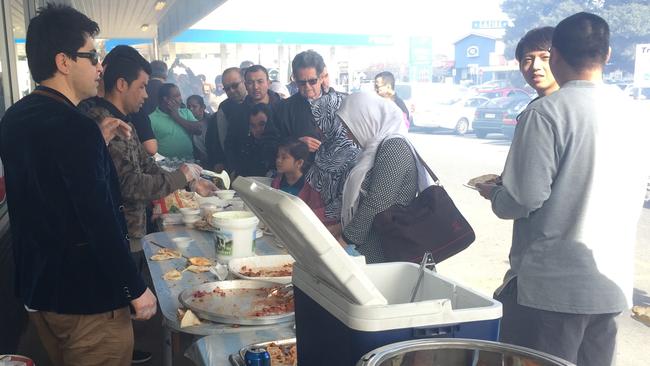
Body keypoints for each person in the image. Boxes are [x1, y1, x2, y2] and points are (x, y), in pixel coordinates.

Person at [476, 13, 649, 366]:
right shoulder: (635, 113)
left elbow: (522, 199)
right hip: (609, 284)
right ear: (608, 54)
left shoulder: (547, 113)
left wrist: (494, 193)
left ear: (554, 55)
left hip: (551, 290)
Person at [0, 5, 156, 366]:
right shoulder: (76, 127)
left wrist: (94, 144)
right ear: (64, 61)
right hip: (89, 300)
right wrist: (134, 287)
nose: (99, 66)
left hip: (41, 293)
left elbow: (47, 186)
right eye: (92, 55)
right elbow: (97, 216)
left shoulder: (15, 118)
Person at [264, 50, 358, 232]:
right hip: (299, 187)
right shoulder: (284, 108)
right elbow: (267, 145)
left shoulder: (344, 103)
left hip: (340, 184)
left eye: (312, 81)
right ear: (294, 79)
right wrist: (296, 144)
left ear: (322, 76)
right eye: (301, 82)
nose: (307, 87)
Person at [339, 92, 431, 263]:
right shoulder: (372, 150)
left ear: (365, 119)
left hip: (385, 251)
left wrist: (345, 240)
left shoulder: (394, 147)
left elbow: (377, 202)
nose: (347, 135)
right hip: (372, 245)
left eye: (348, 127)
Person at [227, 65, 282, 176]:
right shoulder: (238, 113)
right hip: (247, 174)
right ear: (245, 85)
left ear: (268, 83)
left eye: (260, 81)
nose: (255, 87)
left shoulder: (283, 108)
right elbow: (230, 144)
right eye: (250, 83)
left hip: (278, 173)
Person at [272, 138, 326, 223]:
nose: (278, 160)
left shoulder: (311, 187)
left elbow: (318, 213)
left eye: (284, 157)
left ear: (299, 163)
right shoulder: (276, 183)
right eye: (278, 157)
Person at [205, 67, 247, 173]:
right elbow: (220, 137)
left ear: (244, 81)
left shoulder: (259, 101)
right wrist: (219, 161)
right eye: (227, 88)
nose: (231, 91)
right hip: (233, 165)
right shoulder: (224, 108)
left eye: (235, 85)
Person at [149, 83, 201, 160]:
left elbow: (199, 130)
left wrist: (177, 117)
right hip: (166, 166)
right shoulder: (151, 119)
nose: (180, 99)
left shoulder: (185, 112)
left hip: (190, 162)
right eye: (177, 96)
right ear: (166, 99)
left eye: (180, 95)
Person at [515, 26, 559, 100]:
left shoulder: (575, 104)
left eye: (545, 58)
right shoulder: (533, 109)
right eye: (528, 60)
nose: (535, 66)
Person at [233, 103, 273, 177]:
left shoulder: (279, 147)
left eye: (262, 124)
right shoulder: (245, 145)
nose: (257, 129)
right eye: (253, 125)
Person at [187, 94, 211, 166]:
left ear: (203, 107)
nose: (190, 109)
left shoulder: (211, 122)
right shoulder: (186, 123)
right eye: (188, 107)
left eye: (194, 107)